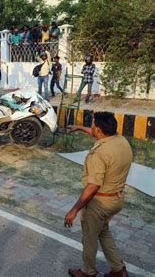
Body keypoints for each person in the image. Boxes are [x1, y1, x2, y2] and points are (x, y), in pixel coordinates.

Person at [66, 112, 132, 277]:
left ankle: (88, 272)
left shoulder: (99, 154)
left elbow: (93, 186)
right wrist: (80, 128)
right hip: (116, 199)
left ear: (100, 130)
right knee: (103, 232)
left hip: (99, 204)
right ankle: (119, 270)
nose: (92, 127)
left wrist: (74, 210)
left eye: (93, 124)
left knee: (89, 238)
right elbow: (98, 133)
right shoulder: (121, 141)